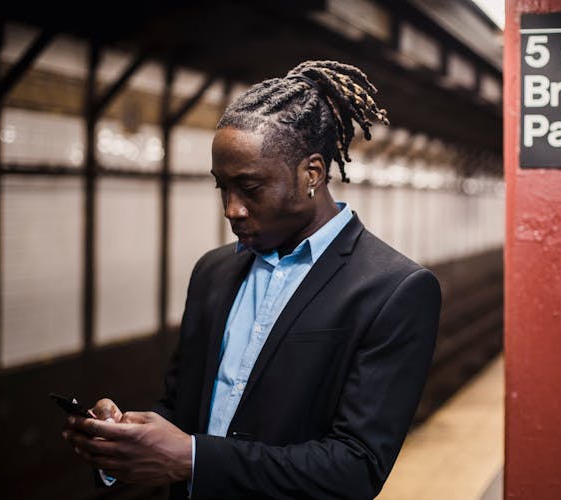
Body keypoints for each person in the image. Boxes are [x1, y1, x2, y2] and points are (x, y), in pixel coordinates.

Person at [63, 60, 441, 499]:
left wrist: (191, 458)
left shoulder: (394, 290)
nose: (231, 209)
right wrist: (124, 441)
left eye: (250, 188)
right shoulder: (213, 273)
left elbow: (355, 468)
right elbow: (181, 411)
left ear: (312, 174)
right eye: (222, 187)